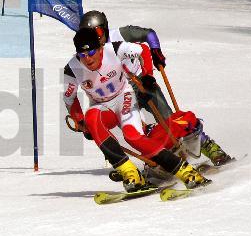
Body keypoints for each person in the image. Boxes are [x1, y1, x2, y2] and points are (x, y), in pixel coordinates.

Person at [77, 10, 232, 166]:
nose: (95, 38)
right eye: (89, 34)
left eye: (97, 32)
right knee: (138, 133)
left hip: (142, 82)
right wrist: (91, 126)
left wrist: (155, 52)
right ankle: (163, 162)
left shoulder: (120, 35)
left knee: (169, 121)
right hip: (120, 95)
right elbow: (94, 90)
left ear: (105, 28)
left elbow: (149, 34)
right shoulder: (87, 56)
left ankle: (209, 147)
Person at [63, 27, 210, 192]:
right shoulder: (72, 69)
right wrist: (80, 121)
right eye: (82, 55)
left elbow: (143, 50)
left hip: (123, 97)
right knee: (91, 117)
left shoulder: (114, 49)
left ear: (100, 48)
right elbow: (69, 99)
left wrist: (147, 75)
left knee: (132, 136)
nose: (88, 59)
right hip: (102, 106)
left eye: (91, 52)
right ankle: (130, 173)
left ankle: (186, 171)